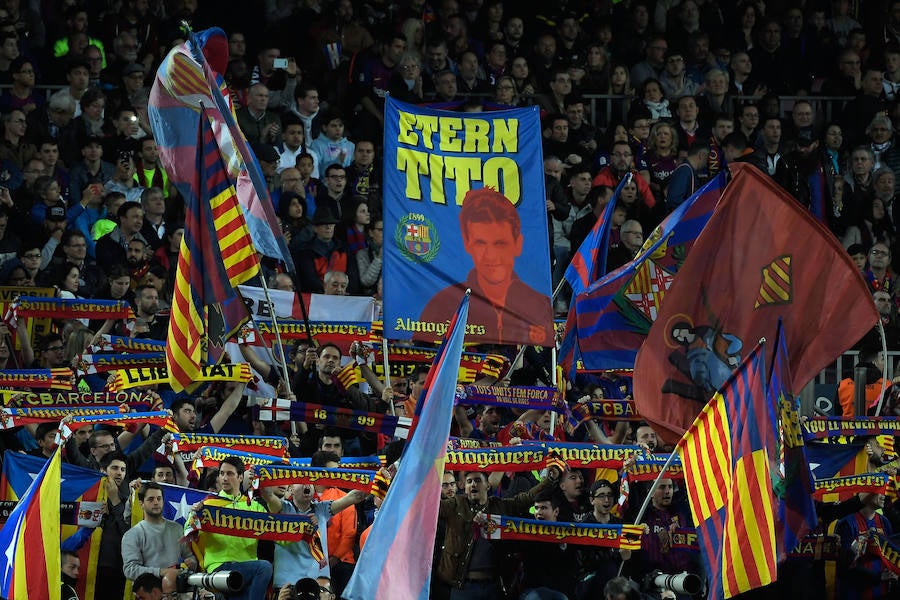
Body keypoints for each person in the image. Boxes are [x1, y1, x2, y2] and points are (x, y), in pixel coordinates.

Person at [418, 187, 554, 346]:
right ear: (468, 245)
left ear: (518, 244)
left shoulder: (538, 305)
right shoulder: (441, 303)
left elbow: (546, 359)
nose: (490, 255)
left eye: (500, 243)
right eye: (480, 243)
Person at [435, 466, 562, 597]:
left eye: (478, 480)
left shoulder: (500, 506)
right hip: (462, 587)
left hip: (493, 586)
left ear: (488, 486)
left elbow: (527, 498)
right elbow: (433, 506)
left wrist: (550, 479)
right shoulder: (455, 504)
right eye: (469, 481)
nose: (473, 484)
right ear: (464, 488)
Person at [187, 456, 273, 600]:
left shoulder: (255, 506)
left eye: (230, 474)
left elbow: (278, 532)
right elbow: (188, 532)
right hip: (218, 568)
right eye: (221, 473)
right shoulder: (207, 505)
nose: (224, 478)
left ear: (240, 477)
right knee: (264, 567)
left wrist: (303, 528)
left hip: (247, 571)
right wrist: (194, 516)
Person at [122, 482, 197, 586]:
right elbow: (130, 570)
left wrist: (192, 562)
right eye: (151, 499)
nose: (156, 502)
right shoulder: (132, 534)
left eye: (159, 498)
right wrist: (162, 572)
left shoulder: (177, 528)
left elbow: (190, 556)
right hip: (149, 591)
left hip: (175, 589)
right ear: (141, 503)